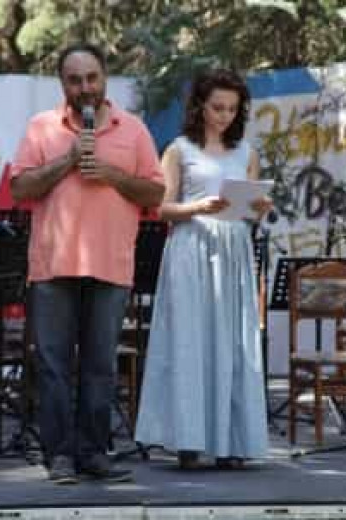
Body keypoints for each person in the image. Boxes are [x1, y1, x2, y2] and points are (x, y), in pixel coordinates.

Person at [10, 43, 165, 485]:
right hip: (54, 265)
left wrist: (111, 174)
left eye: (92, 78)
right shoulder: (41, 127)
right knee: (53, 366)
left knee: (100, 366)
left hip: (110, 264)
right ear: (63, 84)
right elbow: (20, 189)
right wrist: (69, 159)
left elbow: (155, 193)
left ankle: (94, 453)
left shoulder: (133, 129)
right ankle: (59, 456)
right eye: (75, 80)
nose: (85, 88)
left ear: (105, 77)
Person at [135, 69, 272, 469]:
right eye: (217, 107)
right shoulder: (179, 149)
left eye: (232, 109)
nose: (224, 115)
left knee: (233, 341)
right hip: (191, 245)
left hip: (233, 249)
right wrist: (198, 206)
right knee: (189, 339)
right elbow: (161, 208)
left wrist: (260, 209)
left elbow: (249, 211)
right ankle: (188, 440)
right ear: (200, 106)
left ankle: (231, 441)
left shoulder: (246, 153)